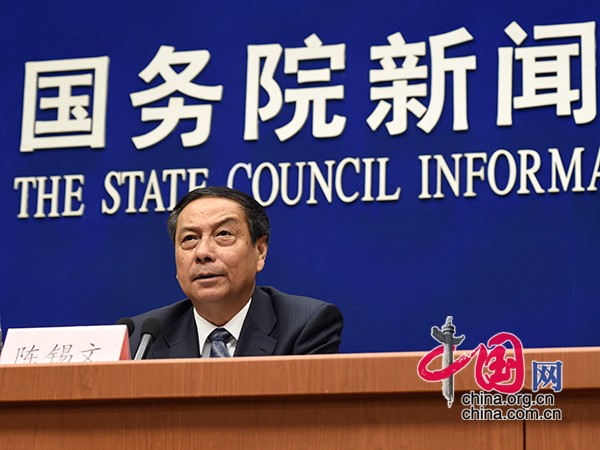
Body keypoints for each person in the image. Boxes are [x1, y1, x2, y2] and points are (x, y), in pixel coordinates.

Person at [128, 186, 343, 358]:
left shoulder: (304, 326)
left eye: (223, 234)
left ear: (260, 251)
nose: (202, 253)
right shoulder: (140, 339)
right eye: (190, 238)